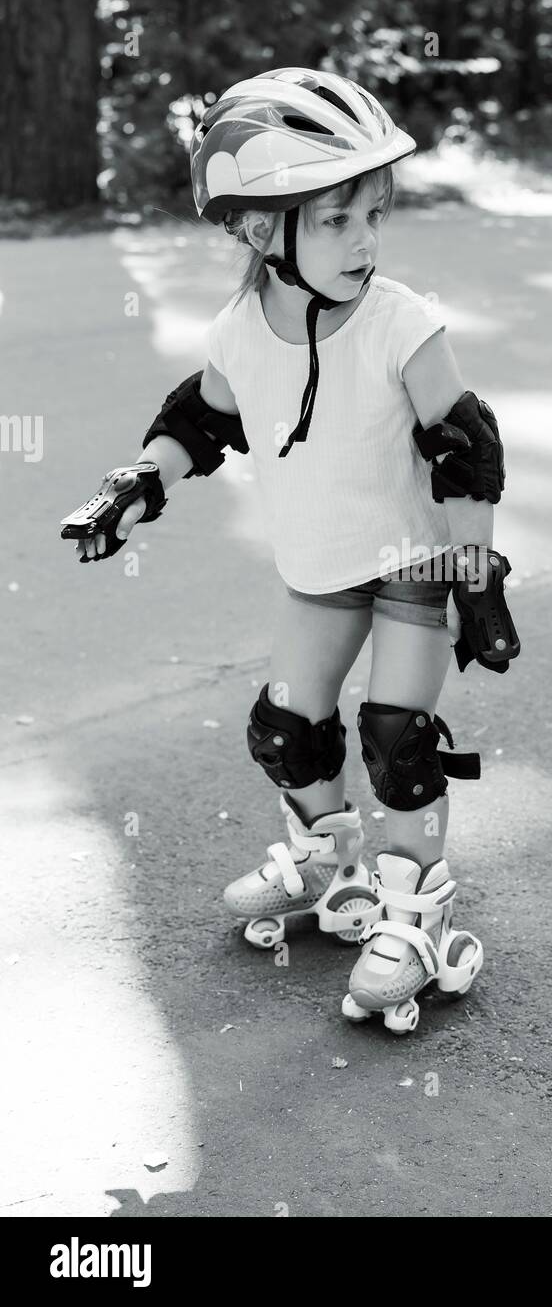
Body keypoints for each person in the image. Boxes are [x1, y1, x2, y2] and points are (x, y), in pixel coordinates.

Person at [60, 67, 519, 1034]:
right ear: (262, 230)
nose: (365, 240)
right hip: (319, 566)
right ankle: (327, 865)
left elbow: (465, 446)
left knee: (397, 740)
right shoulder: (238, 331)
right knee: (286, 729)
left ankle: (415, 915)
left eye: (374, 215)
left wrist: (476, 576)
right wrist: (136, 486)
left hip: (413, 564)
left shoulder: (402, 322)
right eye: (338, 219)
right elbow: (198, 421)